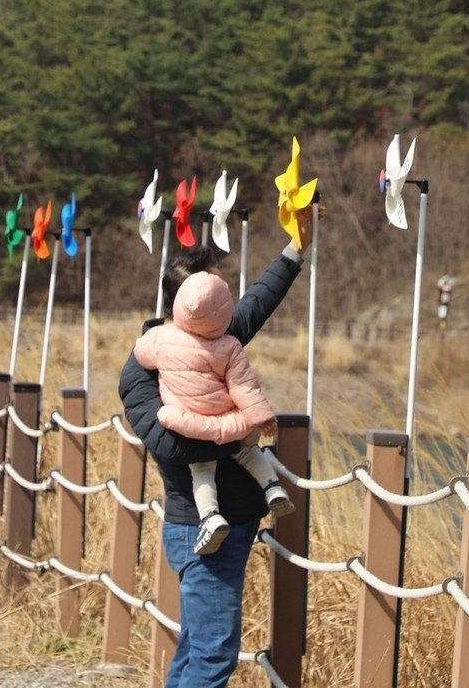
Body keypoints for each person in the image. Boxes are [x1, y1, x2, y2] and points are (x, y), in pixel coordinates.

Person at [119, 207, 321, 688]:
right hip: (199, 527)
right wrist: (242, 431)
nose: (229, 311)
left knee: (196, 649)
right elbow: (170, 445)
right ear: (186, 307)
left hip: (232, 520)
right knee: (213, 657)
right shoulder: (142, 369)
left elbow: (258, 301)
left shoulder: (216, 338)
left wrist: (297, 247)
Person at [134, 270, 294, 555]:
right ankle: (273, 488)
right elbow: (245, 387)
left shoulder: (161, 338)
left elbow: (140, 353)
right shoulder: (230, 346)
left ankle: (210, 515)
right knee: (248, 451)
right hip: (224, 416)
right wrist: (261, 417)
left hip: (189, 420)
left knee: (202, 469)